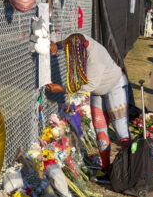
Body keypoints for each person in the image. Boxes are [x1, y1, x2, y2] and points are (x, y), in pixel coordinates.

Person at [46, 34, 131, 175]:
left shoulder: (94, 59)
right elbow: (69, 42)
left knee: (121, 131)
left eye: (74, 54)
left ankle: (130, 168)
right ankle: (106, 169)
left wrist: (62, 89)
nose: (72, 57)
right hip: (99, 91)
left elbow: (89, 85)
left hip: (115, 86)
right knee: (100, 129)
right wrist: (57, 45)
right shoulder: (79, 38)